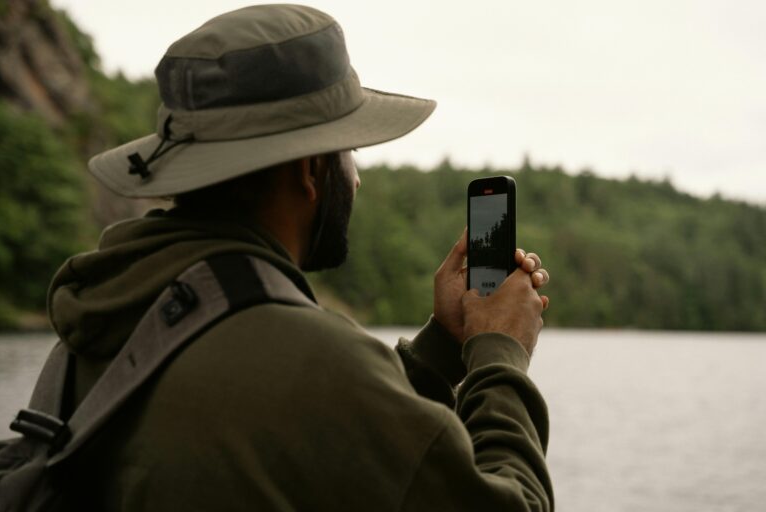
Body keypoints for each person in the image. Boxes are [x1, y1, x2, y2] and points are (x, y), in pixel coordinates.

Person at [50, 4, 554, 510]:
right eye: (351, 152)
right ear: (312, 171)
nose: (357, 179)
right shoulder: (310, 361)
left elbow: (331, 424)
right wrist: (500, 350)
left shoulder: (105, 326)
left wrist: (443, 346)